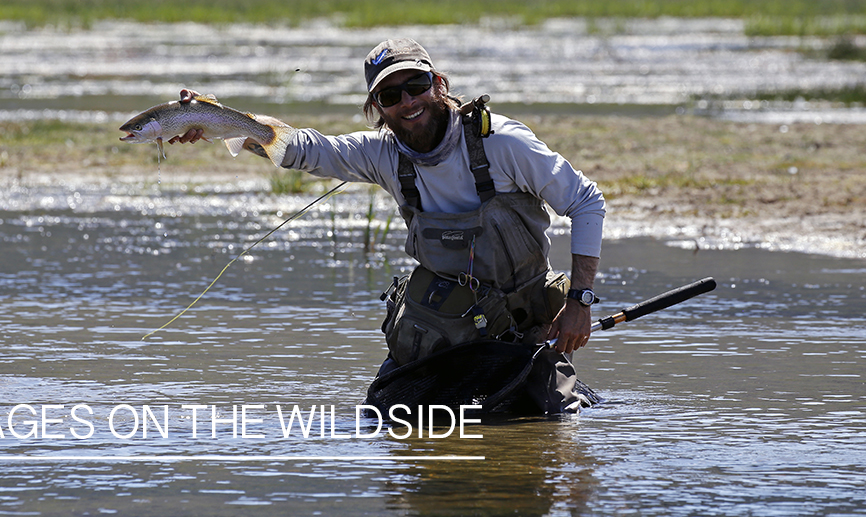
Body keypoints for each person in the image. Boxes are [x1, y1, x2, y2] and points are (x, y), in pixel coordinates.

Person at [171, 39, 606, 413]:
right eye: (390, 96)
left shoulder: (504, 143)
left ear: (439, 85)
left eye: (415, 87)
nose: (407, 103)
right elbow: (302, 148)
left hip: (523, 328)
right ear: (375, 108)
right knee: (383, 418)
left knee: (555, 424)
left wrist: (579, 303)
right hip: (441, 329)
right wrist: (213, 119)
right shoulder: (381, 153)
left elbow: (587, 202)